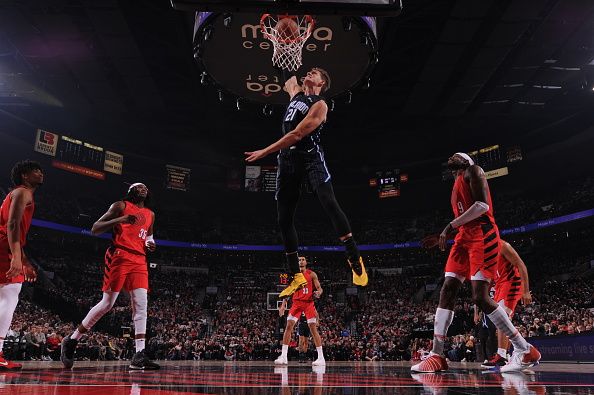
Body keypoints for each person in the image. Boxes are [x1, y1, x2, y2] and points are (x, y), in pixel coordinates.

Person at [245, 67, 368, 298]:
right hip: (288, 159)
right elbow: (284, 73)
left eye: (315, 72)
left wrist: (265, 151)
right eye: (309, 70)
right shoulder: (296, 94)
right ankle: (295, 276)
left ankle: (354, 258)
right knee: (283, 218)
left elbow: (297, 135)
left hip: (310, 156)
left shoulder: (320, 105)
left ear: (322, 82)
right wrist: (281, 42)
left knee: (328, 202)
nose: (309, 72)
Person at [412, 153, 540, 373]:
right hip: (463, 236)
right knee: (447, 288)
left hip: (482, 235)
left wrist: (448, 228)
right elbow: (465, 217)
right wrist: (445, 234)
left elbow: (482, 206)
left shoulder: (474, 171)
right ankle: (436, 354)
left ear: (465, 161)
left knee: (480, 297)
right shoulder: (456, 182)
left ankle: (524, 348)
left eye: (455, 156)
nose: (450, 157)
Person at [61, 183, 159, 370]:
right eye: (139, 187)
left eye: (146, 187)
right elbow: (95, 228)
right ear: (131, 191)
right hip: (119, 255)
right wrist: (121, 219)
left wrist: (151, 244)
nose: (143, 189)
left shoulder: (150, 214)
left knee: (141, 304)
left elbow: (148, 237)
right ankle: (72, 340)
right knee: (107, 303)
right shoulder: (120, 206)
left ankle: (139, 355)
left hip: (139, 259)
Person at [0, 161, 41, 370]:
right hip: (4, 244)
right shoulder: (23, 192)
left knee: (6, 295)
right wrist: (16, 256)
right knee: (10, 294)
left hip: (6, 243)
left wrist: (23, 259)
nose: (41, 173)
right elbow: (13, 224)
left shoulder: (15, 193)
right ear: (24, 176)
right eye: (36, 171)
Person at [482, 240, 532, 368]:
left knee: (503, 318)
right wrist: (485, 295)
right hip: (499, 285)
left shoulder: (503, 246)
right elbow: (492, 276)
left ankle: (502, 356)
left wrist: (526, 291)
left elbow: (521, 265)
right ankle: (508, 355)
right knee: (501, 321)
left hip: (511, 282)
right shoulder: (486, 252)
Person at [275, 256, 325, 365]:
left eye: (303, 259)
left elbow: (319, 288)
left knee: (313, 328)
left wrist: (318, 293)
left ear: (306, 262)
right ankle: (283, 356)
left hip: (308, 303)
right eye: (298, 260)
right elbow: (288, 290)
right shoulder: (293, 275)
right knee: (288, 326)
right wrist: (283, 304)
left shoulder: (312, 274)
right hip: (296, 303)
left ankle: (321, 358)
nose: (301, 261)